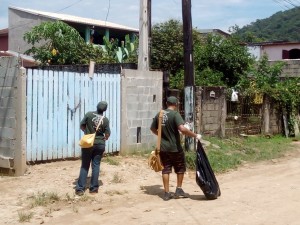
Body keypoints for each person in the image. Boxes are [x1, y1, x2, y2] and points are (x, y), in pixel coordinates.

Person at [150, 96, 202, 201]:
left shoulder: (160, 114)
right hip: (175, 148)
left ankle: (166, 193)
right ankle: (178, 189)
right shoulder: (175, 114)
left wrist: (162, 136)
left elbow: (152, 128)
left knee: (165, 169)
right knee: (180, 168)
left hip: (163, 148)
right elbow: (182, 129)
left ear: (166, 103)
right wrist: (195, 135)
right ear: (176, 104)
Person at [75, 101, 111, 196]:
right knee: (96, 165)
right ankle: (94, 189)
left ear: (97, 106)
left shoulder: (89, 114)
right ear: (105, 110)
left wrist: (87, 133)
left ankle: (80, 189)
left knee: (85, 165)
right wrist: (105, 138)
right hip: (100, 144)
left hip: (88, 143)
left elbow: (82, 125)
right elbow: (107, 134)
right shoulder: (105, 120)